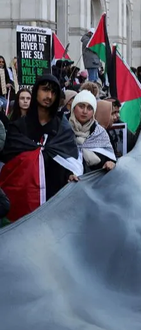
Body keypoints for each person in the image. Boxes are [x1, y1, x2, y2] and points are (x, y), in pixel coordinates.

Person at [0, 74, 82, 221]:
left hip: (54, 199)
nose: (49, 96)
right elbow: (9, 163)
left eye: (53, 92)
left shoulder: (62, 128)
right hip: (25, 200)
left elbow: (68, 157)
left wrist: (69, 174)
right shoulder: (18, 127)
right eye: (45, 90)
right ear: (36, 91)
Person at [68, 90, 116, 173]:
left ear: (94, 112)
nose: (85, 111)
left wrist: (110, 163)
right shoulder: (62, 129)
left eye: (90, 108)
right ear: (73, 107)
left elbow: (110, 158)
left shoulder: (99, 133)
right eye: (81, 106)